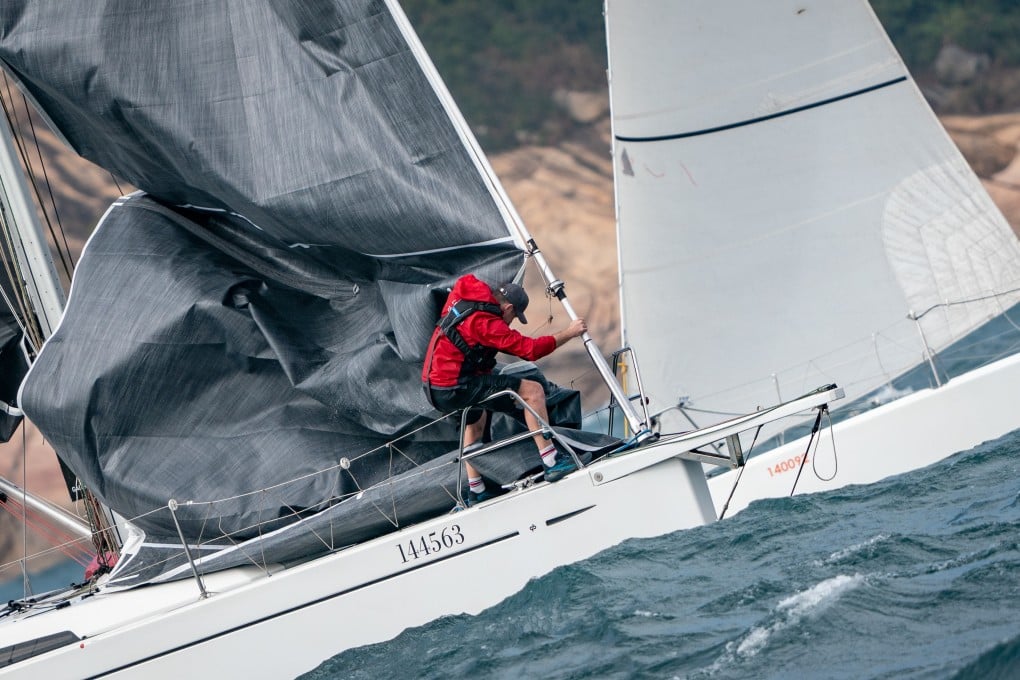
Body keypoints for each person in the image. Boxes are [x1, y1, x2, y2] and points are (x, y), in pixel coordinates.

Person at [422, 273, 587, 504]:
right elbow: (530, 350)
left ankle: (476, 490)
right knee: (533, 391)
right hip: (455, 385)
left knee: (476, 416)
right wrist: (570, 332)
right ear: (507, 307)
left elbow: (464, 282)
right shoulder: (486, 323)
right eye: (514, 316)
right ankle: (552, 462)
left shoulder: (462, 296)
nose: (510, 322)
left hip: (434, 386)